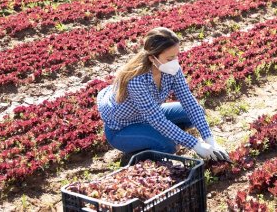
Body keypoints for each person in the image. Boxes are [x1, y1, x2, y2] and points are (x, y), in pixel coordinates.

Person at [97, 27, 230, 162]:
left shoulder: (171, 69)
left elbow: (189, 101)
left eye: (176, 56)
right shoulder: (137, 80)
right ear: (152, 58)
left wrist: (210, 140)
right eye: (169, 58)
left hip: (147, 117)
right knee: (168, 146)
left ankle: (158, 136)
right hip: (122, 128)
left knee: (195, 113)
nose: (174, 61)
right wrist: (195, 144)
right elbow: (157, 120)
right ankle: (139, 151)